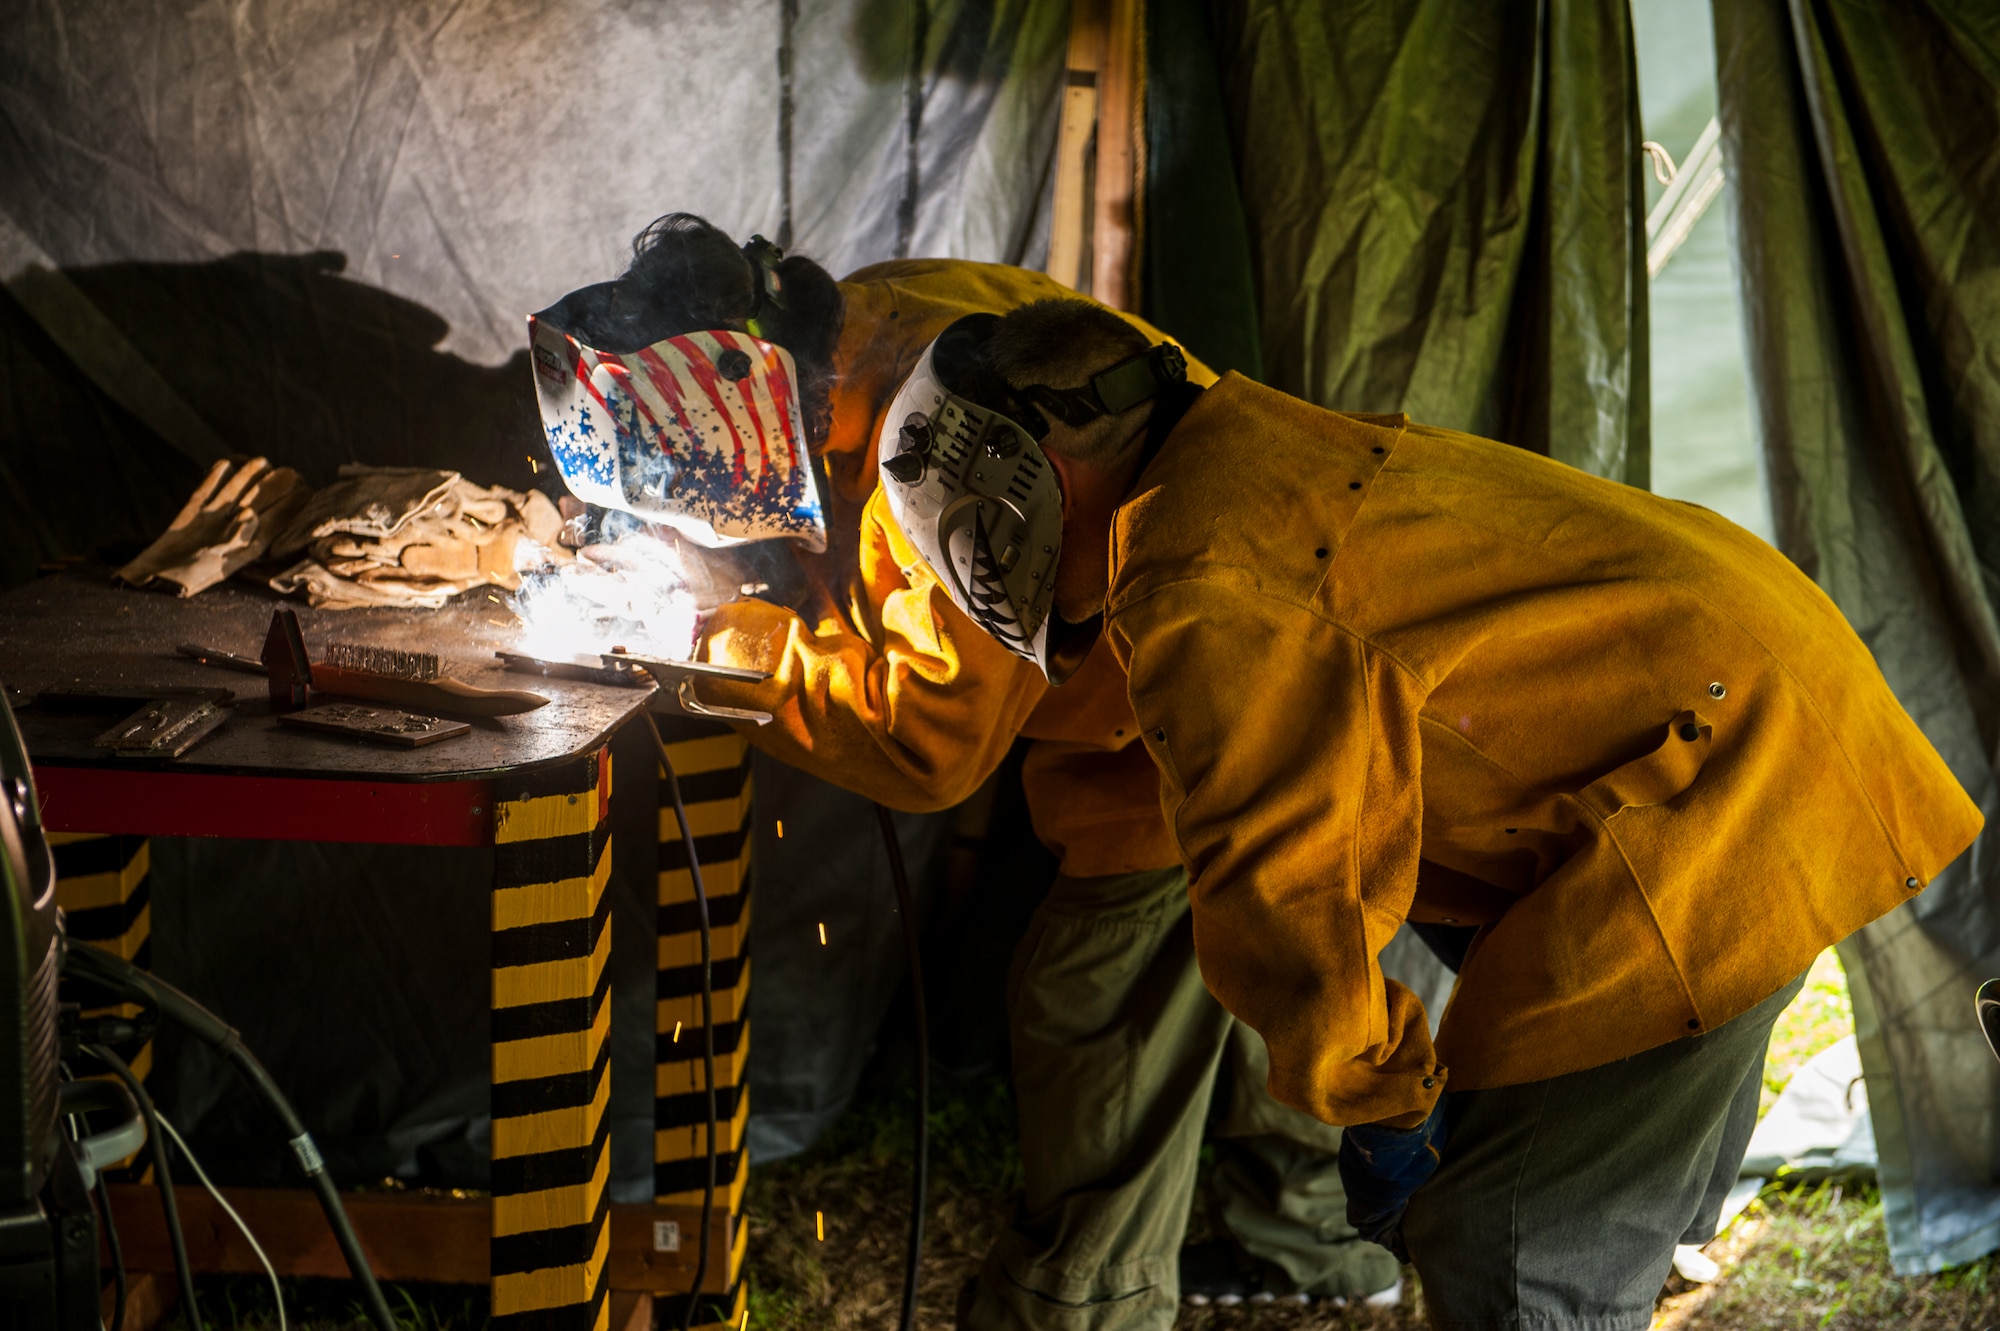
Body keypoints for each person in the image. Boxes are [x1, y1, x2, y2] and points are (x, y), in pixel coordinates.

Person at [867, 296, 1985, 1329]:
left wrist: (1374, 1095)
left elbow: (1285, 886)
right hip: (1756, 711)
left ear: (1021, 470)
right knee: (1578, 1188)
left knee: (1503, 1246)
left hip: (1713, 788)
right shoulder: (1260, 449)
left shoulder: (1202, 572)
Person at [552, 215, 1407, 1319]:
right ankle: (1320, 1247)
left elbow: (926, 745)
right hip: (1234, 640)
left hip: (1218, 679)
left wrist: (713, 639)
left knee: (1093, 1003)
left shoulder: (944, 467)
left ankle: (1081, 1307)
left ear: (766, 415)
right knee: (1248, 955)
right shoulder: (873, 308)